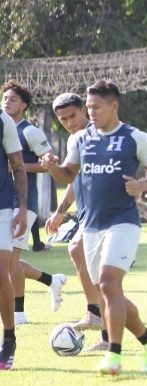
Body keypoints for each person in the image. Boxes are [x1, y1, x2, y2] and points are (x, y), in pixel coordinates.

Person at [42, 80, 147, 375]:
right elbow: (68, 175)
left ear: (114, 106)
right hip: (92, 226)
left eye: (96, 107)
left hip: (123, 221)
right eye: (89, 106)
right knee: (112, 294)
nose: (91, 112)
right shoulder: (80, 141)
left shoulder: (135, 138)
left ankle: (114, 355)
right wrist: (51, 167)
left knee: (109, 285)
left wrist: (141, 186)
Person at [45, 93, 107, 352]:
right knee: (102, 279)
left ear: (84, 110)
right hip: (86, 212)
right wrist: (60, 211)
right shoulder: (74, 140)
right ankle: (108, 338)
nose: (69, 122)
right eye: (63, 119)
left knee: (76, 248)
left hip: (105, 210)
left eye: (73, 116)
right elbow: (73, 179)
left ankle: (93, 311)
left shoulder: (98, 136)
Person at [1, 80, 66, 326]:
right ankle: (52, 281)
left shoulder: (29, 131)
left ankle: (18, 313)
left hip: (23, 202)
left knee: (10, 261)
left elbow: (47, 163)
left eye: (13, 99)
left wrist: (18, 166)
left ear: (24, 105)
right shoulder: (2, 127)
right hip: (4, 201)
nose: (7, 102)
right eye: (4, 98)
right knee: (6, 261)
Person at [0, 109, 28, 370]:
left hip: (2, 207)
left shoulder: (3, 119)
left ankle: (9, 336)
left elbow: (18, 166)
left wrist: (22, 208)